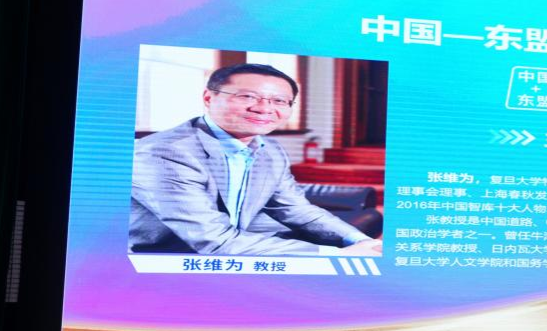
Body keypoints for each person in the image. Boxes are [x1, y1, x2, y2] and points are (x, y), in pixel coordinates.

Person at [129, 63, 383, 257]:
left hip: (235, 245)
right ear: (208, 98)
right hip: (168, 257)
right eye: (247, 97)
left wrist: (361, 242)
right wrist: (336, 254)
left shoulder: (270, 149)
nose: (264, 108)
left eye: (279, 101)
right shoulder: (165, 152)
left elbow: (296, 209)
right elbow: (214, 240)